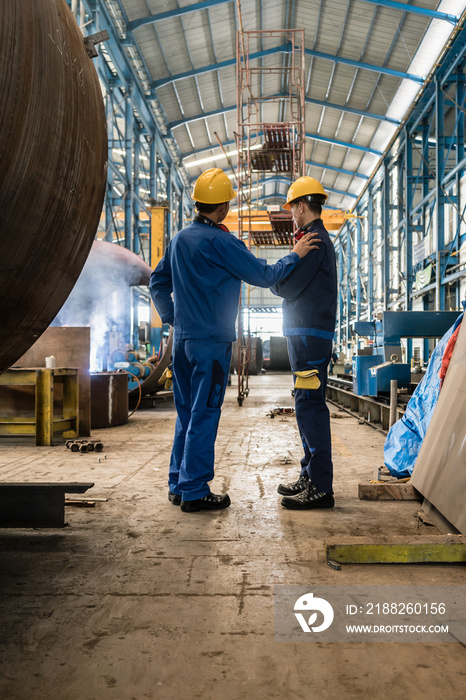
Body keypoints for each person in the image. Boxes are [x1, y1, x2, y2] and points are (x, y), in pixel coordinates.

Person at [150, 168, 320, 514]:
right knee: (204, 414)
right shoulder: (223, 243)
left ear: (199, 202)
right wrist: (296, 254)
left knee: (186, 415)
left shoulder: (180, 239)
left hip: (181, 342)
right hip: (210, 345)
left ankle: (178, 484)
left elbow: (157, 281)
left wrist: (172, 318)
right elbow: (264, 275)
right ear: (224, 206)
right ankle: (195, 490)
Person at [271, 176, 337, 510]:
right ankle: (310, 475)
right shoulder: (312, 240)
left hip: (310, 338)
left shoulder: (314, 242)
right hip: (306, 336)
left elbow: (283, 287)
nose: (290, 215)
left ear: (300, 205)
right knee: (304, 403)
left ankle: (321, 487)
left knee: (309, 406)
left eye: (291, 208)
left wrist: (279, 275)